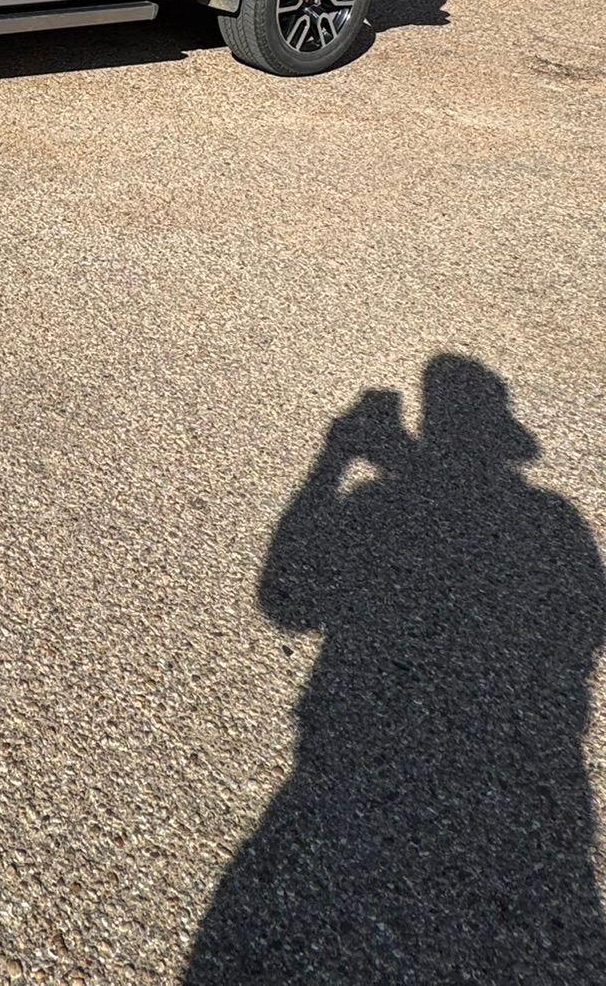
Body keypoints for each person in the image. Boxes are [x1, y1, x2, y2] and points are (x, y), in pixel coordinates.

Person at [187, 358, 606, 983]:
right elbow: (587, 627)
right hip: (534, 785)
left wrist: (335, 459)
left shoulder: (377, 504)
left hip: (345, 762)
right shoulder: (554, 521)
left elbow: (288, 601)